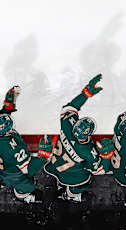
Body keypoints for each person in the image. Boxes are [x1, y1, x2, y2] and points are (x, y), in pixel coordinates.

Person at [44, 74, 108, 202]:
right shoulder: (88, 151)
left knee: (63, 171)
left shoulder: (67, 123)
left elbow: (69, 108)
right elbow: (100, 170)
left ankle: (60, 183)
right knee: (84, 182)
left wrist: (85, 94)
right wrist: (107, 155)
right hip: (72, 176)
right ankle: (70, 195)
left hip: (55, 165)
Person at [0, 86, 52, 203]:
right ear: (6, 132)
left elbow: (3, 114)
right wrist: (44, 156)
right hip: (11, 173)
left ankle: (4, 181)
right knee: (28, 186)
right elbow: (27, 169)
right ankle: (22, 195)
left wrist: (10, 99)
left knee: (8, 173)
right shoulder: (13, 148)